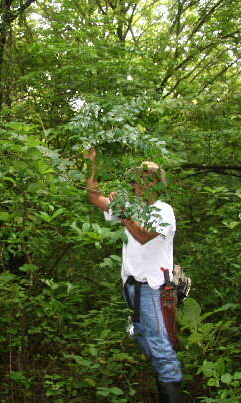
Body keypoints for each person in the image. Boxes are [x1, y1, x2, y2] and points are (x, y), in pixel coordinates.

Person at [84, 147, 185, 403]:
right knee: (144, 338)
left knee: (161, 348)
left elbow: (142, 235)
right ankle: (161, 379)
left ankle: (171, 390)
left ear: (155, 184)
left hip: (153, 288)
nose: (139, 183)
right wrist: (90, 165)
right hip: (132, 287)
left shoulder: (164, 211)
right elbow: (95, 197)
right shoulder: (129, 206)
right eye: (136, 179)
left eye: (146, 178)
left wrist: (124, 210)